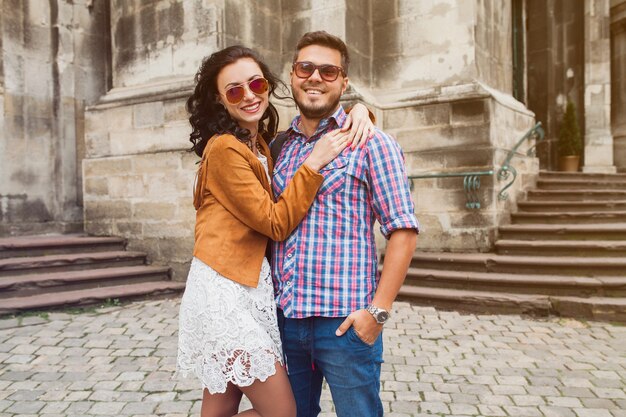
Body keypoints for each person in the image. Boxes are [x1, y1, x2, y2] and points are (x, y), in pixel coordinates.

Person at [176, 45, 373, 417]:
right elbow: (274, 223)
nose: (249, 95)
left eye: (256, 83)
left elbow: (318, 121)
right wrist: (314, 164)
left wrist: (360, 110)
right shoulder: (225, 150)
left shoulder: (263, 145)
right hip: (226, 294)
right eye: (234, 90)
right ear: (219, 100)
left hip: (248, 290)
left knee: (221, 407)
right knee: (285, 412)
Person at [271, 31, 419, 417]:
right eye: (306, 67)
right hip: (286, 319)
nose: (315, 77)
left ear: (344, 82)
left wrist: (378, 312)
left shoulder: (371, 143)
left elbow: (402, 229)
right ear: (292, 75)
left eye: (328, 70)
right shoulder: (280, 148)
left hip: (344, 324)